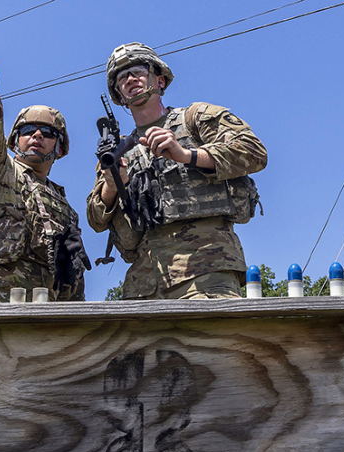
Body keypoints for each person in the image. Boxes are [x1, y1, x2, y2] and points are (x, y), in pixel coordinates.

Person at [86, 43, 267, 300]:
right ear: (119, 95)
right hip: (144, 283)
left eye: (137, 71)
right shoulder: (116, 152)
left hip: (206, 268)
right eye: (121, 78)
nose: (129, 79)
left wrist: (186, 155)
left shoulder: (195, 117)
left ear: (159, 80)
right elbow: (95, 219)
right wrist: (112, 185)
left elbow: (253, 151)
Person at [0, 50, 90, 303]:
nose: (38, 136)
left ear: (60, 148)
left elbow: (71, 279)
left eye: (48, 133)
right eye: (28, 130)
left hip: (38, 321)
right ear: (13, 142)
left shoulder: (65, 209)